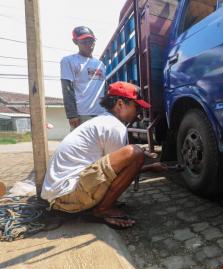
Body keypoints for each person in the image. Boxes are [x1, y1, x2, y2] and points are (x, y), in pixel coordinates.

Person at [41, 81, 165, 229]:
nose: (138, 112)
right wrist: (144, 163)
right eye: (136, 106)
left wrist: (150, 168)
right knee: (135, 152)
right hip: (68, 196)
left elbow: (118, 171)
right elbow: (119, 173)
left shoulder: (102, 121)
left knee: (134, 154)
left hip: (61, 193)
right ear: (120, 104)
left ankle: (101, 205)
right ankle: (102, 210)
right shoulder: (113, 127)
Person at [61, 26, 106, 130]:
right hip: (82, 115)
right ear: (75, 42)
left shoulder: (100, 64)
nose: (88, 45)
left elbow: (104, 89)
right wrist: (72, 114)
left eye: (91, 41)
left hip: (101, 114)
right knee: (81, 146)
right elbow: (67, 89)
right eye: (84, 41)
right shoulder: (69, 61)